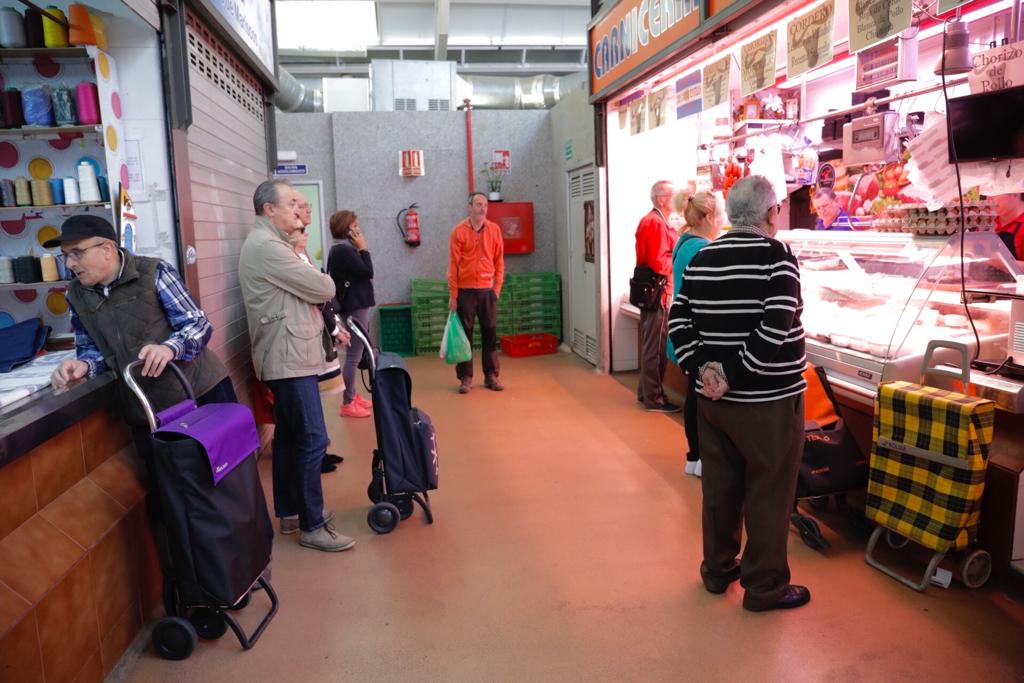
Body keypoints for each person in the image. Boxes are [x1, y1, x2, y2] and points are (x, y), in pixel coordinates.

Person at [668, 175, 810, 612]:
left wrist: (704, 370)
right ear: (771, 214)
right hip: (768, 403)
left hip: (714, 405)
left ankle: (717, 570)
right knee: (769, 489)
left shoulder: (703, 257)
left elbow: (679, 319)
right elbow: (776, 325)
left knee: (720, 487)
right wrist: (733, 373)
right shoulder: (778, 256)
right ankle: (764, 587)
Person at [48, 215, 234, 467]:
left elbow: (198, 324)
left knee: (223, 480)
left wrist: (170, 348)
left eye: (77, 253)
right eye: (65, 255)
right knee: (170, 488)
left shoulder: (154, 272)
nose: (70, 263)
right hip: (145, 410)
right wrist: (84, 366)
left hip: (199, 393)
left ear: (107, 250)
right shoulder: (76, 294)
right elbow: (91, 348)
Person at [239, 179, 354, 553]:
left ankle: (290, 511)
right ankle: (312, 524)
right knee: (312, 438)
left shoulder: (273, 245)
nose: (297, 211)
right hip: (288, 357)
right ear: (268, 210)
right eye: (289, 204)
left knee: (289, 437)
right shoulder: (269, 248)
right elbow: (324, 288)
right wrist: (321, 280)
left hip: (287, 354)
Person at [290, 193, 349, 474]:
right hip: (305, 339)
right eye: (300, 207)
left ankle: (322, 448)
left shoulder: (302, 256)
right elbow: (321, 293)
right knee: (307, 406)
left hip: (317, 331)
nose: (305, 211)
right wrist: (335, 326)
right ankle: (317, 453)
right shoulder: (290, 258)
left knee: (314, 403)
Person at [666, 190, 724, 478]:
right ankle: (701, 456)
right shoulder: (702, 248)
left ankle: (694, 456)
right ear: (709, 217)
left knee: (692, 395)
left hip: (683, 332)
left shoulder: (684, 243)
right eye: (721, 215)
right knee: (699, 399)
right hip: (696, 334)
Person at [447, 192, 505, 394]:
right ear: (469, 207)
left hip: (487, 291)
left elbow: (499, 261)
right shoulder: (458, 232)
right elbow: (453, 265)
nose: (483, 208)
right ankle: (466, 378)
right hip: (465, 292)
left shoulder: (494, 230)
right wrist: (454, 295)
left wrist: (496, 289)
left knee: (490, 333)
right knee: (465, 337)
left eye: (485, 205)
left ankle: (491, 376)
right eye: (479, 204)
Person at [634, 180, 680, 413]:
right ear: (661, 198)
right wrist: (679, 259)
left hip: (651, 291)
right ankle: (654, 398)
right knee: (656, 347)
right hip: (658, 292)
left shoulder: (652, 221)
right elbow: (659, 262)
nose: (677, 199)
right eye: (674, 195)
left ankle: (646, 393)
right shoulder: (655, 224)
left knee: (651, 345)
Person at [327, 210, 376, 417]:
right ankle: (348, 402)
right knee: (354, 355)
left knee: (356, 352)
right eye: (354, 225)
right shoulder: (344, 251)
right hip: (354, 306)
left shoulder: (341, 250)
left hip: (355, 304)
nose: (358, 229)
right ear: (346, 228)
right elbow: (367, 271)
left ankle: (353, 395)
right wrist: (364, 249)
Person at [994, 192, 1024, 260]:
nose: (988, 199)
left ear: (1015, 193)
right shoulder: (986, 222)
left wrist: (992, 261)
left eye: (994, 194)